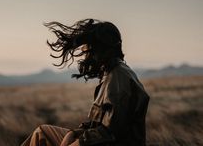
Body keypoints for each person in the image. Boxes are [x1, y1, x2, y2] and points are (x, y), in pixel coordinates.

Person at [21, 19, 150, 146]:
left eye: (87, 47)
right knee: (42, 132)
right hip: (98, 142)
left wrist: (79, 142)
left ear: (98, 48)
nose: (84, 52)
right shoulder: (112, 73)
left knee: (42, 135)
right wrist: (73, 133)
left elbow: (112, 132)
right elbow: (100, 125)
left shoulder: (118, 79)